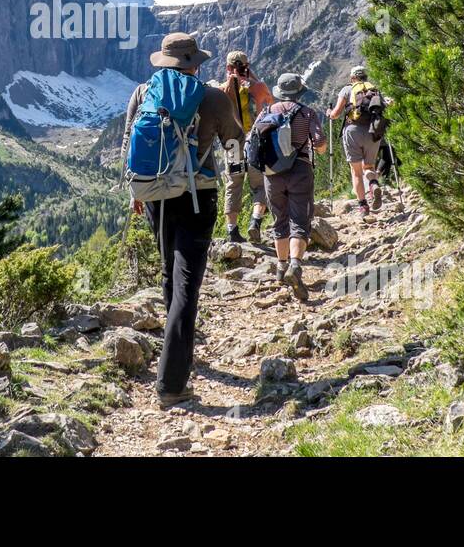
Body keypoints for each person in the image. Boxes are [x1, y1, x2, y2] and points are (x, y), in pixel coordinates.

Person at [121, 32, 243, 408]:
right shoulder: (212, 98)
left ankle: (179, 355)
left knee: (167, 272)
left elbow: (128, 144)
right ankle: (172, 382)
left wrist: (136, 194)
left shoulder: (143, 92)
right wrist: (237, 183)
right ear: (196, 63)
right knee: (188, 282)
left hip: (155, 195)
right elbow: (235, 146)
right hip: (197, 196)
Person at [251, 73, 326, 300]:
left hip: (272, 173)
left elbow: (251, 140)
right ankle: (295, 265)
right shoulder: (307, 112)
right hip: (300, 169)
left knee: (280, 219)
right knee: (299, 219)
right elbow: (320, 144)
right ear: (298, 91)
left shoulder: (266, 112)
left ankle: (281, 268)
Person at [212, 50, 272, 244]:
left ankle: (232, 231)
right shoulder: (258, 87)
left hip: (232, 144)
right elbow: (270, 103)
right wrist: (252, 76)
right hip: (254, 143)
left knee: (233, 185)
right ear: (247, 67)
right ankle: (255, 221)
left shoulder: (221, 90)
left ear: (228, 68)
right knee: (259, 185)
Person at [327, 65, 383, 219]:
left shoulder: (347, 89)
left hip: (353, 131)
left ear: (352, 78)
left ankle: (363, 206)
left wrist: (329, 114)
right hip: (373, 131)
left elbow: (336, 114)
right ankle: (373, 184)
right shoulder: (374, 89)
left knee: (356, 172)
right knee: (369, 166)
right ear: (365, 76)